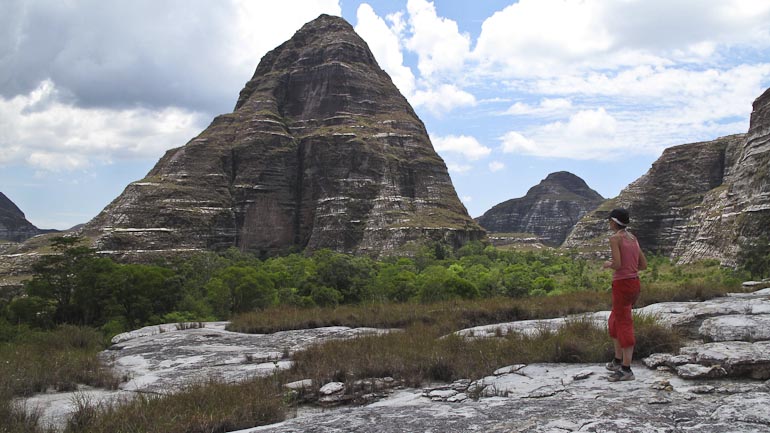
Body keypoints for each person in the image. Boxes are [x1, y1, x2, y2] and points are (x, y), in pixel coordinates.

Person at [602, 208, 647, 382]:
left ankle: (626, 369)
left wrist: (608, 264)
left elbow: (618, 264)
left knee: (624, 322)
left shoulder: (615, 238)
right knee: (614, 319)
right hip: (634, 282)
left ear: (614, 222)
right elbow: (643, 265)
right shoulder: (633, 238)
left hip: (622, 284)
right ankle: (617, 360)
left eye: (609, 221)